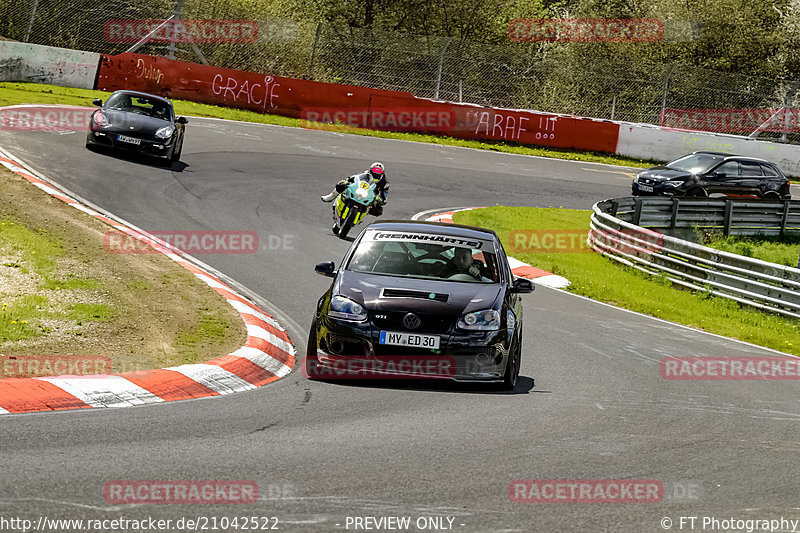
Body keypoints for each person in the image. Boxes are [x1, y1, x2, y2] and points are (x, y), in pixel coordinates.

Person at [321, 162, 389, 216]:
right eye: (373, 174)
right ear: (370, 171)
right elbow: (355, 177)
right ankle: (330, 197)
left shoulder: (384, 183)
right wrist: (348, 181)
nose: (375, 176)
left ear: (382, 174)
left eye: (377, 175)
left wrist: (382, 200)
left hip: (371, 196)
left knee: (378, 210)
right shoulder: (365, 173)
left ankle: (363, 214)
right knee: (342, 184)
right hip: (359, 189)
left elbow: (384, 195)